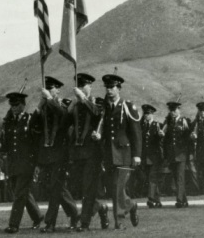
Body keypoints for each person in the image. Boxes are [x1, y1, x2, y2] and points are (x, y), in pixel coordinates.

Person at [0, 92, 43, 233]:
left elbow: (35, 143)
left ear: (23, 105)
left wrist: (36, 163)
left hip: (27, 164)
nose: (14, 107)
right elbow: (7, 146)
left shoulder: (29, 120)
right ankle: (38, 217)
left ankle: (14, 225)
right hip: (13, 164)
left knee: (20, 194)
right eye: (12, 105)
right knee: (21, 192)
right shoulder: (9, 123)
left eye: (17, 105)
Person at [34, 76, 79, 232]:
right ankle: (74, 213)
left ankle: (50, 223)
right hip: (46, 153)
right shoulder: (44, 108)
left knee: (55, 187)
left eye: (51, 88)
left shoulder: (60, 105)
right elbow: (34, 126)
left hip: (60, 153)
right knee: (54, 187)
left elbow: (64, 117)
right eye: (47, 89)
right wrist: (39, 106)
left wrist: (49, 100)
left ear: (57, 90)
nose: (48, 91)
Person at [66, 74, 109, 231]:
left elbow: (98, 114)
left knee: (88, 188)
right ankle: (101, 208)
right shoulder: (75, 105)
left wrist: (83, 99)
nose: (82, 88)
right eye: (80, 86)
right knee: (78, 188)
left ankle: (84, 223)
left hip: (92, 153)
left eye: (85, 85)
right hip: (77, 153)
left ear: (90, 87)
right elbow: (67, 123)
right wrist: (71, 107)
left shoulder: (96, 102)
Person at [99, 74, 141, 230]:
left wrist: (137, 155)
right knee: (113, 188)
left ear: (119, 89)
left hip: (124, 153)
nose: (109, 91)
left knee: (117, 188)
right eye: (107, 88)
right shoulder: (106, 107)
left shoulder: (127, 106)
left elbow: (136, 132)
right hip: (109, 154)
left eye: (112, 87)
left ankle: (119, 221)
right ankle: (131, 205)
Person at [163, 101, 191, 208]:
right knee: (176, 177)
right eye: (171, 111)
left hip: (181, 154)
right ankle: (184, 200)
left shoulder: (184, 121)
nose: (172, 113)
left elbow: (188, 138)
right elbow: (166, 140)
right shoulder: (168, 122)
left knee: (180, 177)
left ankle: (179, 200)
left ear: (179, 110)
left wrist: (188, 153)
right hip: (172, 154)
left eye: (174, 110)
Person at [139, 104, 164, 209]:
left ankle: (151, 199)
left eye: (148, 113)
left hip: (155, 156)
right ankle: (157, 200)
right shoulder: (142, 126)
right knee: (150, 177)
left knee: (152, 177)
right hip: (145, 157)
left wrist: (160, 136)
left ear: (152, 114)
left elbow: (160, 140)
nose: (146, 116)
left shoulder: (157, 125)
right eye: (145, 113)